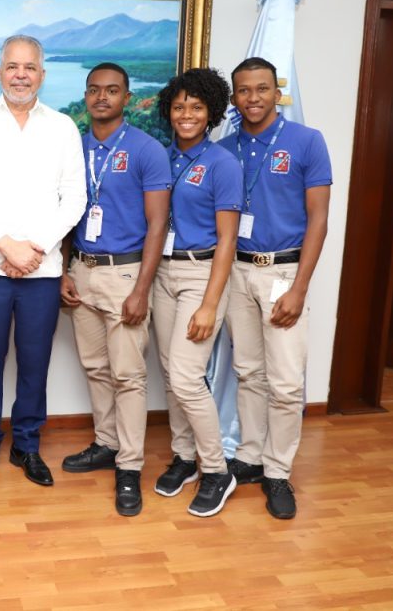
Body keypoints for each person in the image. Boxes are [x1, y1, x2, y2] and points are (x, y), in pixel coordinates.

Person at [0, 35, 86, 489]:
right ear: (0, 72)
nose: (21, 75)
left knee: (35, 361)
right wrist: (7, 246)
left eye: (29, 67)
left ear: (42, 74)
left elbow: (75, 198)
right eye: (12, 66)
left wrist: (36, 249)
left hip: (42, 271)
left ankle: (27, 444)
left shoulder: (63, 127)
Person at [217, 57, 332, 520]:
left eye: (262, 89)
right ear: (233, 98)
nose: (253, 99)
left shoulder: (306, 142)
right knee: (249, 372)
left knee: (285, 383)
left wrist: (300, 288)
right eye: (243, 91)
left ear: (277, 92)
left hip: (283, 272)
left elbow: (319, 220)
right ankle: (249, 456)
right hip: (238, 273)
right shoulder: (224, 149)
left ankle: (278, 472)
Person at [59, 63, 170, 516]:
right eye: (94, 90)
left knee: (128, 375)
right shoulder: (73, 149)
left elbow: (159, 223)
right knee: (96, 368)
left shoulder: (147, 150)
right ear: (85, 96)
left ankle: (129, 466)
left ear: (126, 97)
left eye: (112, 90)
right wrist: (65, 270)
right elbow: (64, 215)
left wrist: (142, 288)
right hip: (82, 270)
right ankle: (106, 444)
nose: (102, 97)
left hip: (125, 274)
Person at [152, 68, 243, 518]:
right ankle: (184, 457)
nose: (186, 114)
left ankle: (216, 471)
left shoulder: (223, 162)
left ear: (212, 113)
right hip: (163, 276)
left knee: (188, 376)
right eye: (179, 106)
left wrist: (210, 302)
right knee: (172, 375)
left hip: (200, 274)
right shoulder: (164, 156)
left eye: (197, 107)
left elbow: (229, 239)